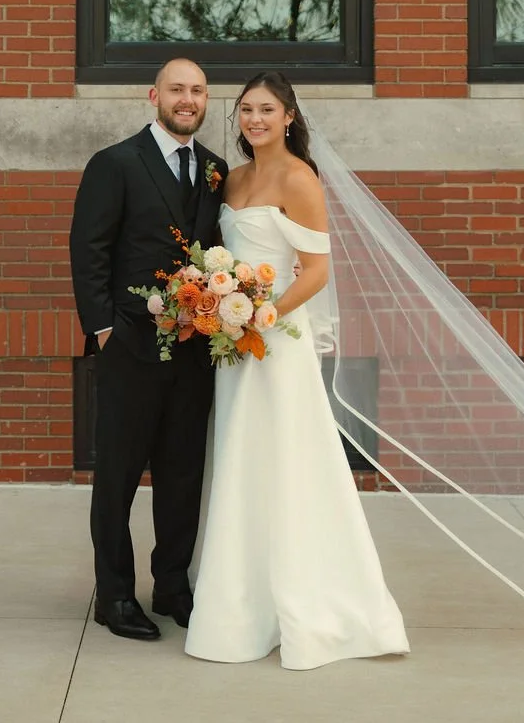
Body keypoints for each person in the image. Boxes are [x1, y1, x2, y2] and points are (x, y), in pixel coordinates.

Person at [185, 70, 410, 669]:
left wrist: (259, 315)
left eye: (267, 109)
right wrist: (217, 305)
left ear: (289, 117)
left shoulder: (300, 178)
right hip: (233, 346)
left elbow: (315, 271)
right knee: (240, 457)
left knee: (286, 460)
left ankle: (309, 598)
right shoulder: (231, 179)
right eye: (246, 110)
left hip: (275, 343)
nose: (255, 120)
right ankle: (240, 604)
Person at [69, 57, 228, 641]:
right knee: (117, 478)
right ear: (153, 95)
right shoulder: (115, 164)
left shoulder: (216, 169)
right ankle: (113, 596)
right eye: (177, 89)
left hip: (194, 351)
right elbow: (89, 250)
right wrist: (104, 330)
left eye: (199, 91)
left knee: (183, 475)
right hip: (130, 347)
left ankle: (172, 588)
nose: (188, 99)